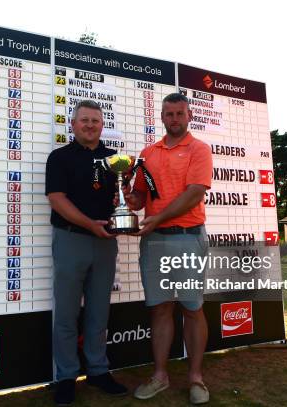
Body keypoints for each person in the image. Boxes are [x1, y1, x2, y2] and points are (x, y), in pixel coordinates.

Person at [124, 93, 213, 404]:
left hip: (188, 237)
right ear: (161, 117)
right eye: (169, 114)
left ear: (189, 116)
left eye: (179, 113)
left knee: (192, 308)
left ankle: (196, 378)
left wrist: (158, 216)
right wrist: (129, 196)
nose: (174, 119)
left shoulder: (199, 149)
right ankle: (160, 375)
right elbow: (138, 198)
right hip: (155, 240)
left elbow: (194, 194)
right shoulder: (148, 153)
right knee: (161, 308)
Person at [45, 100, 128, 405]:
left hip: (106, 242)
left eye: (95, 120)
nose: (90, 125)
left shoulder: (116, 159)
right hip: (71, 240)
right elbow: (57, 199)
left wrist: (130, 199)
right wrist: (88, 224)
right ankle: (66, 376)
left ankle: (97, 370)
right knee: (67, 313)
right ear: (73, 124)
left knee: (98, 311)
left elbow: (126, 198)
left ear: (102, 125)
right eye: (84, 120)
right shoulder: (59, 158)